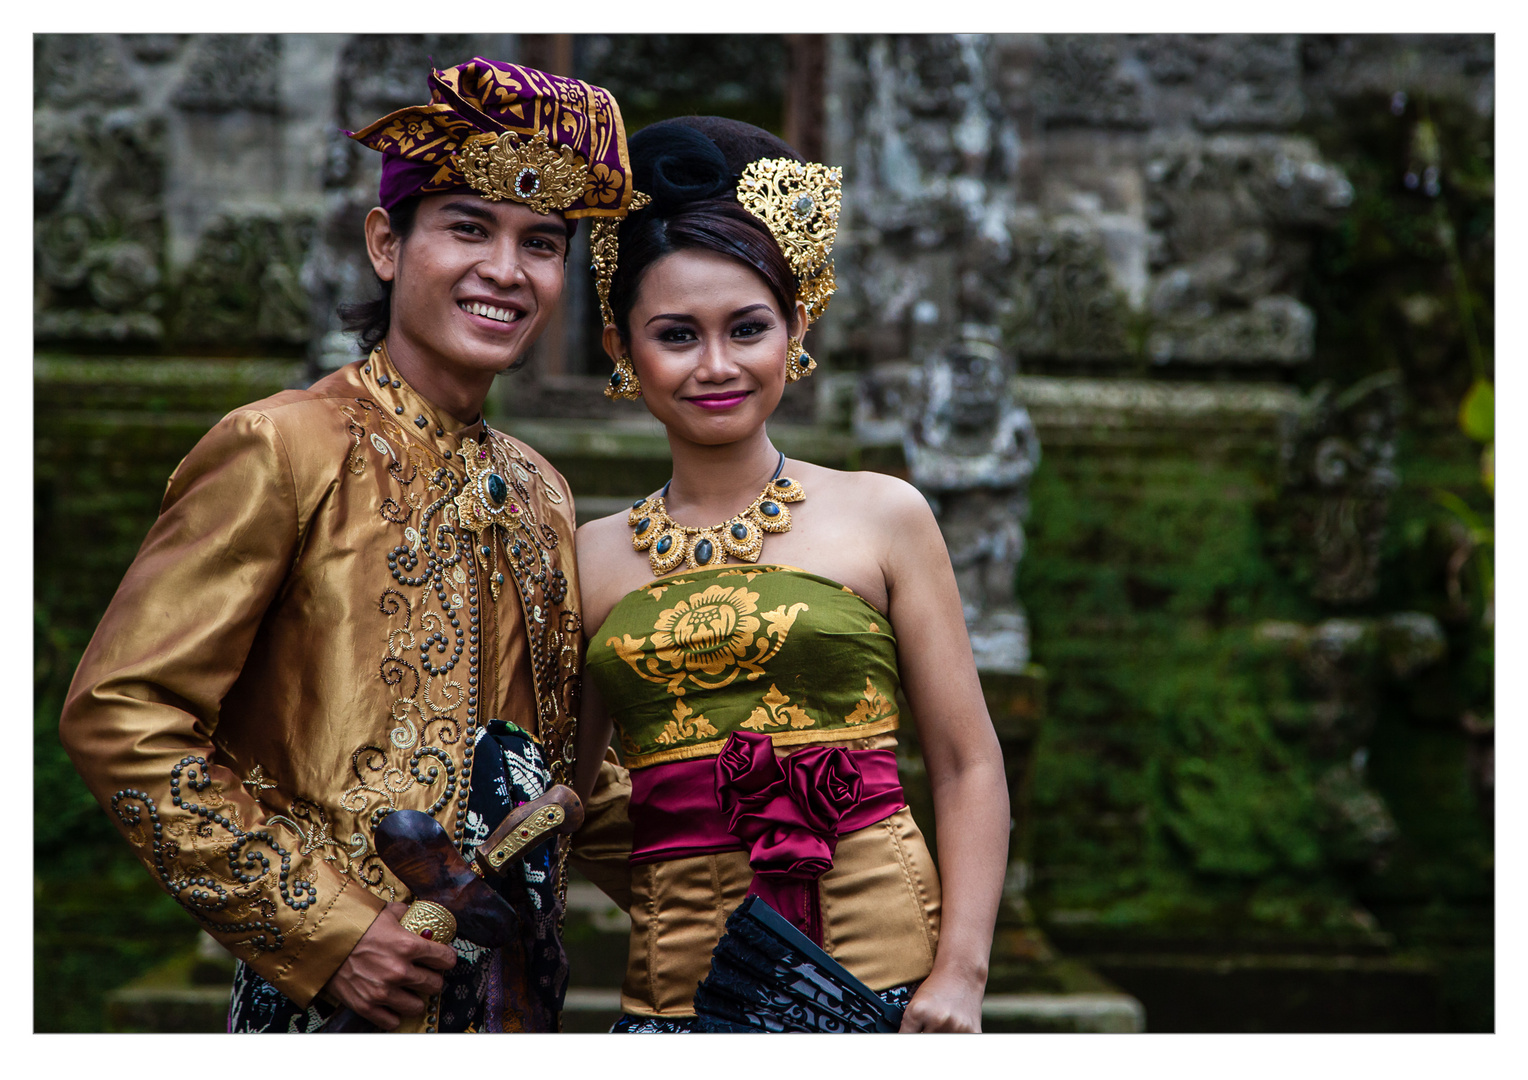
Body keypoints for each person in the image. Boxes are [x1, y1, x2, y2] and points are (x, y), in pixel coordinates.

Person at [58, 57, 638, 1034]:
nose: (505, 269)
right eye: (467, 228)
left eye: (540, 243)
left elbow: (569, 776)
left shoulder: (543, 492)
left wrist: (758, 875)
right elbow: (124, 711)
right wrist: (326, 930)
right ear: (385, 242)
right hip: (330, 1007)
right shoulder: (282, 447)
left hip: (513, 1004)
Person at [569, 118, 1010, 1033]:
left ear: (797, 324)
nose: (717, 365)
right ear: (621, 348)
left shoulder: (885, 515)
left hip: (887, 985)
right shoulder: (588, 556)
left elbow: (967, 763)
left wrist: (961, 975)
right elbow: (566, 793)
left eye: (749, 328)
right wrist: (678, 857)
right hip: (677, 996)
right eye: (676, 334)